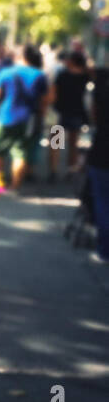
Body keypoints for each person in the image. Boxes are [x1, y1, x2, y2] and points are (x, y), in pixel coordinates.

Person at [0, 44, 49, 189]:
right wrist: (42, 119)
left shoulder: (6, 73)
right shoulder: (39, 75)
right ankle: (15, 186)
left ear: (20, 57)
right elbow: (44, 102)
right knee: (21, 153)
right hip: (29, 119)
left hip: (4, 117)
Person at [52, 48, 90, 176]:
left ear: (72, 61)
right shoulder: (85, 76)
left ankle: (53, 170)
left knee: (56, 143)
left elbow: (54, 92)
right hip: (77, 112)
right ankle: (71, 170)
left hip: (60, 112)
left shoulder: (62, 75)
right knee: (73, 145)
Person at [87, 66, 109, 265]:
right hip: (76, 119)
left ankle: (55, 166)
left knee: (56, 143)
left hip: (61, 120)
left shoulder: (100, 88)